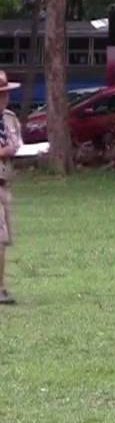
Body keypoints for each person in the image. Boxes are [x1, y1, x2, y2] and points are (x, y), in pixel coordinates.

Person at [0, 72, 22, 305]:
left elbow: (16, 145)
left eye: (6, 94)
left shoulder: (10, 119)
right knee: (0, 238)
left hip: (6, 184)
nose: (4, 99)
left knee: (5, 239)